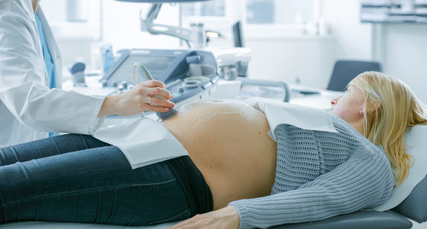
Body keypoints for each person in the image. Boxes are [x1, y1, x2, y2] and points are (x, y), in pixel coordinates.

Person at [0, 71, 426, 228]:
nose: (335, 98)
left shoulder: (372, 163)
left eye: (348, 91)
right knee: (7, 162)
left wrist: (239, 214)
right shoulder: (318, 118)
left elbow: (318, 200)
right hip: (135, 137)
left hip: (173, 173)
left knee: (11, 185)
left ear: (371, 104)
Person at [0, 0, 175, 147]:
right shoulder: (6, 10)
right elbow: (31, 103)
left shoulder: (32, 9)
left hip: (36, 145)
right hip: (11, 156)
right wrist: (118, 103)